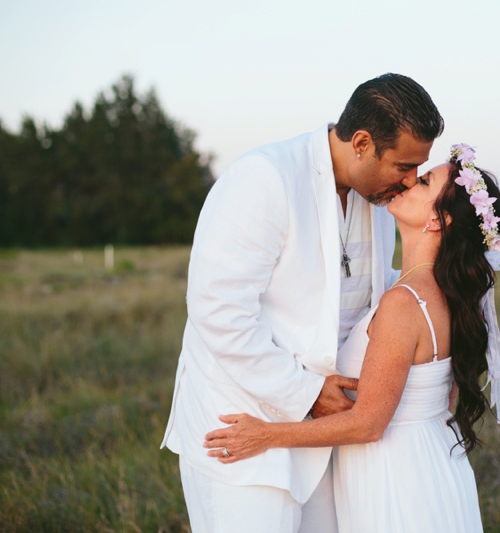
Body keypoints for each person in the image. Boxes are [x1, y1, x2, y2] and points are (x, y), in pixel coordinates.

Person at [160, 73, 444, 533]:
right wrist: (305, 393)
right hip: (240, 424)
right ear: (362, 142)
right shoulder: (264, 178)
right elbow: (218, 310)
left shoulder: (378, 198)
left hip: (321, 434)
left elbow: (364, 290)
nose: (410, 181)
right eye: (403, 166)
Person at [203, 144, 500, 532]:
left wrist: (264, 435)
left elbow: (367, 424)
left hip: (395, 477)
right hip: (432, 463)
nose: (411, 180)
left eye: (425, 180)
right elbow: (442, 399)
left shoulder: (404, 301)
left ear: (438, 220)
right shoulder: (447, 295)